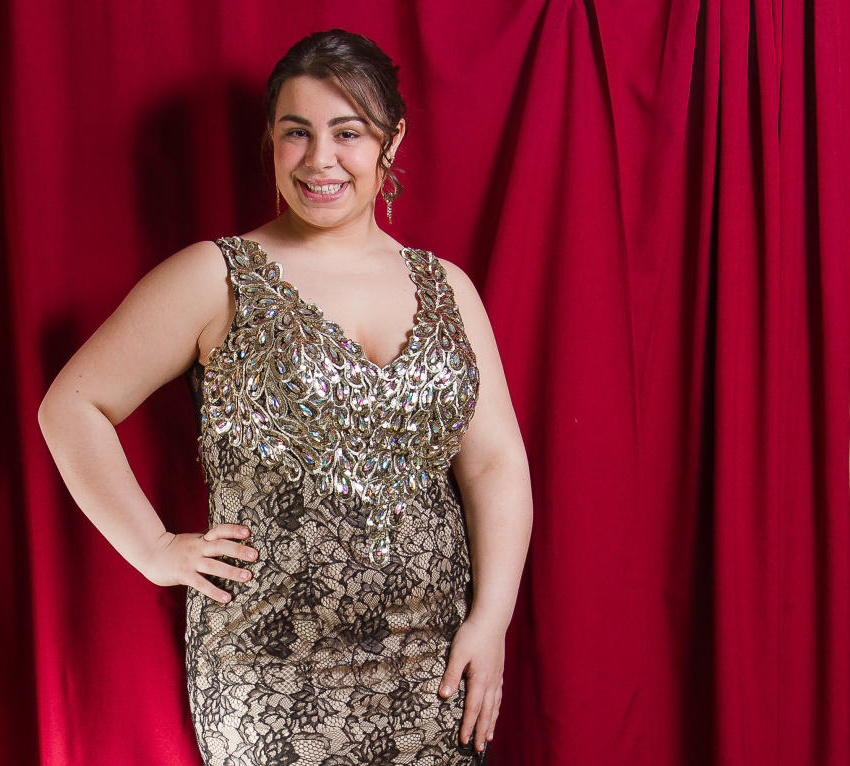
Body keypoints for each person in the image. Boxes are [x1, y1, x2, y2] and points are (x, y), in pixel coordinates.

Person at [38, 29, 533, 766]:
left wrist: (489, 619)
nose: (319, 160)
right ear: (270, 141)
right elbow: (71, 407)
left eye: (348, 133)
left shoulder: (446, 287)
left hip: (430, 664)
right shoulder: (216, 275)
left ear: (391, 143)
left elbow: (493, 463)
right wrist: (151, 549)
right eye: (295, 133)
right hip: (267, 672)